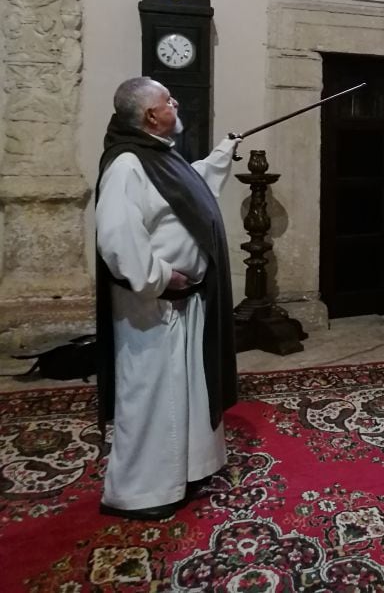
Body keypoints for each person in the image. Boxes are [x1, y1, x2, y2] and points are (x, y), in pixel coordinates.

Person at [95, 77, 240, 521]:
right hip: (153, 306)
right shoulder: (126, 166)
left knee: (188, 388)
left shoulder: (157, 156)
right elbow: (118, 237)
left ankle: (189, 469)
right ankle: (143, 491)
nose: (175, 104)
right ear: (150, 116)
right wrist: (160, 277)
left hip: (184, 301)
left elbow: (186, 189)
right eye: (167, 101)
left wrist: (219, 157)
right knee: (153, 395)